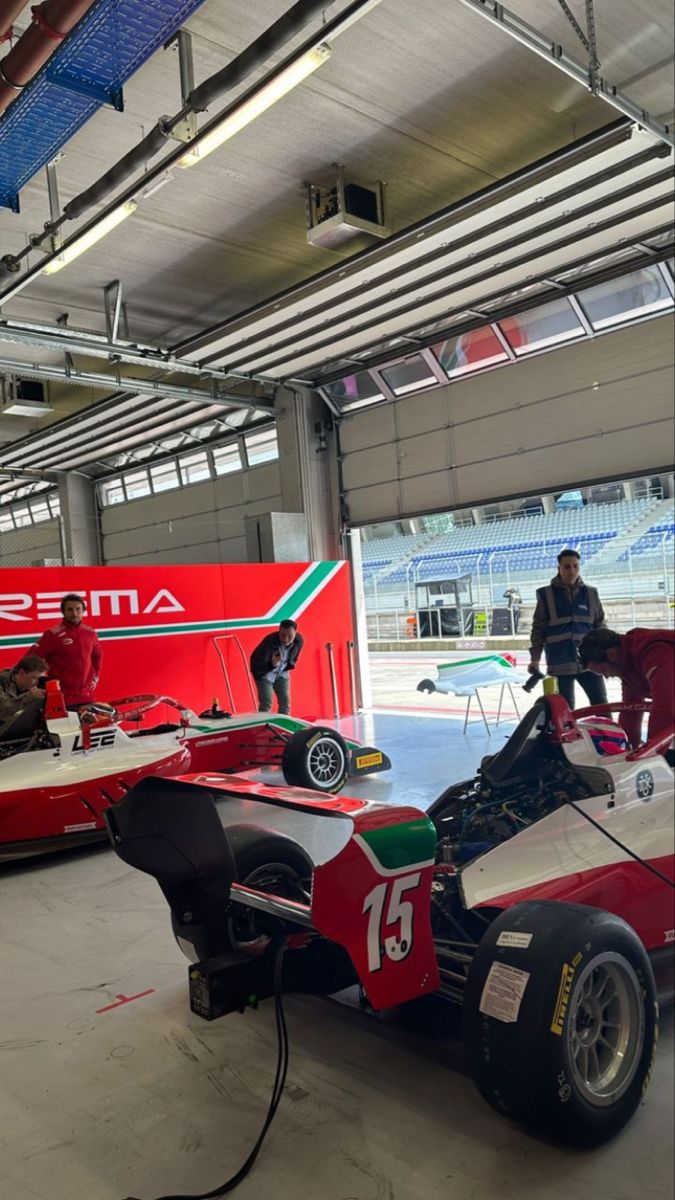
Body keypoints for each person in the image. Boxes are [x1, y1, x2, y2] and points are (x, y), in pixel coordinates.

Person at [528, 548, 607, 708]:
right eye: (567, 567)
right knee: (564, 710)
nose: (572, 570)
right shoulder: (546, 595)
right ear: (559, 569)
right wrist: (535, 658)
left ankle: (607, 734)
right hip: (559, 662)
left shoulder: (591, 594)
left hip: (590, 661)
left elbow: (600, 625)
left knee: (601, 705)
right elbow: (538, 628)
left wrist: (605, 653)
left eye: (575, 566)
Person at [579, 626, 675, 750]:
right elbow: (631, 711)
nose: (607, 677)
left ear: (612, 654)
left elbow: (665, 707)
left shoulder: (654, 651)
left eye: (603, 671)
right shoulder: (626, 663)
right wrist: (626, 751)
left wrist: (651, 753)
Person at [33, 593, 102, 710]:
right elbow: (32, 659)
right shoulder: (52, 634)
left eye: (78, 609)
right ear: (63, 612)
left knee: (88, 727)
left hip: (87, 696)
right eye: (70, 610)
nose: (74, 613)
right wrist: (33, 685)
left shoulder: (90, 632)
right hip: (63, 698)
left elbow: (97, 656)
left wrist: (96, 676)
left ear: (83, 610)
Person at [250, 620, 304, 715]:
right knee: (266, 702)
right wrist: (273, 664)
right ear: (279, 631)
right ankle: (263, 726)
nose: (286, 639)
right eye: (282, 635)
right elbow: (258, 664)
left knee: (285, 702)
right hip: (264, 672)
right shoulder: (269, 641)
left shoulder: (299, 640)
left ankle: (284, 726)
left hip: (282, 671)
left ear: (296, 633)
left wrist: (286, 665)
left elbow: (294, 656)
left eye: (290, 636)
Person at [0, 654, 48, 725]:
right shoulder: (2, 682)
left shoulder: (33, 685)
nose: (37, 682)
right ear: (22, 672)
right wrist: (30, 698)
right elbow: (4, 711)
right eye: (34, 678)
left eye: (39, 678)